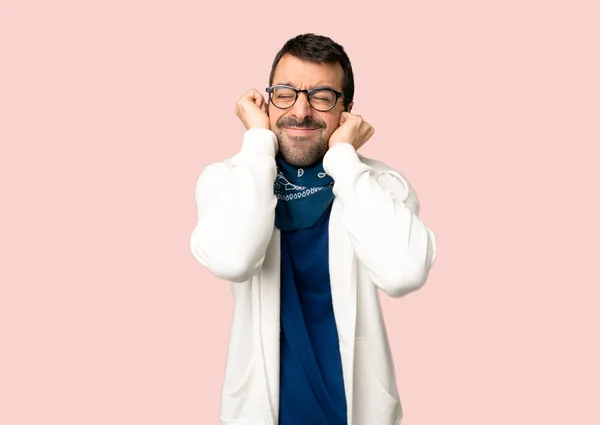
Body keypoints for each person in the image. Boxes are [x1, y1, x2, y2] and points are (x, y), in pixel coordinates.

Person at [190, 33, 437, 425]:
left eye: (322, 96)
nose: (301, 111)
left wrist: (344, 158)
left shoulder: (377, 184)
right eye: (285, 93)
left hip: (357, 412)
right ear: (267, 102)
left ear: (347, 112)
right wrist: (256, 141)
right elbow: (233, 259)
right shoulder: (228, 180)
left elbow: (403, 273)